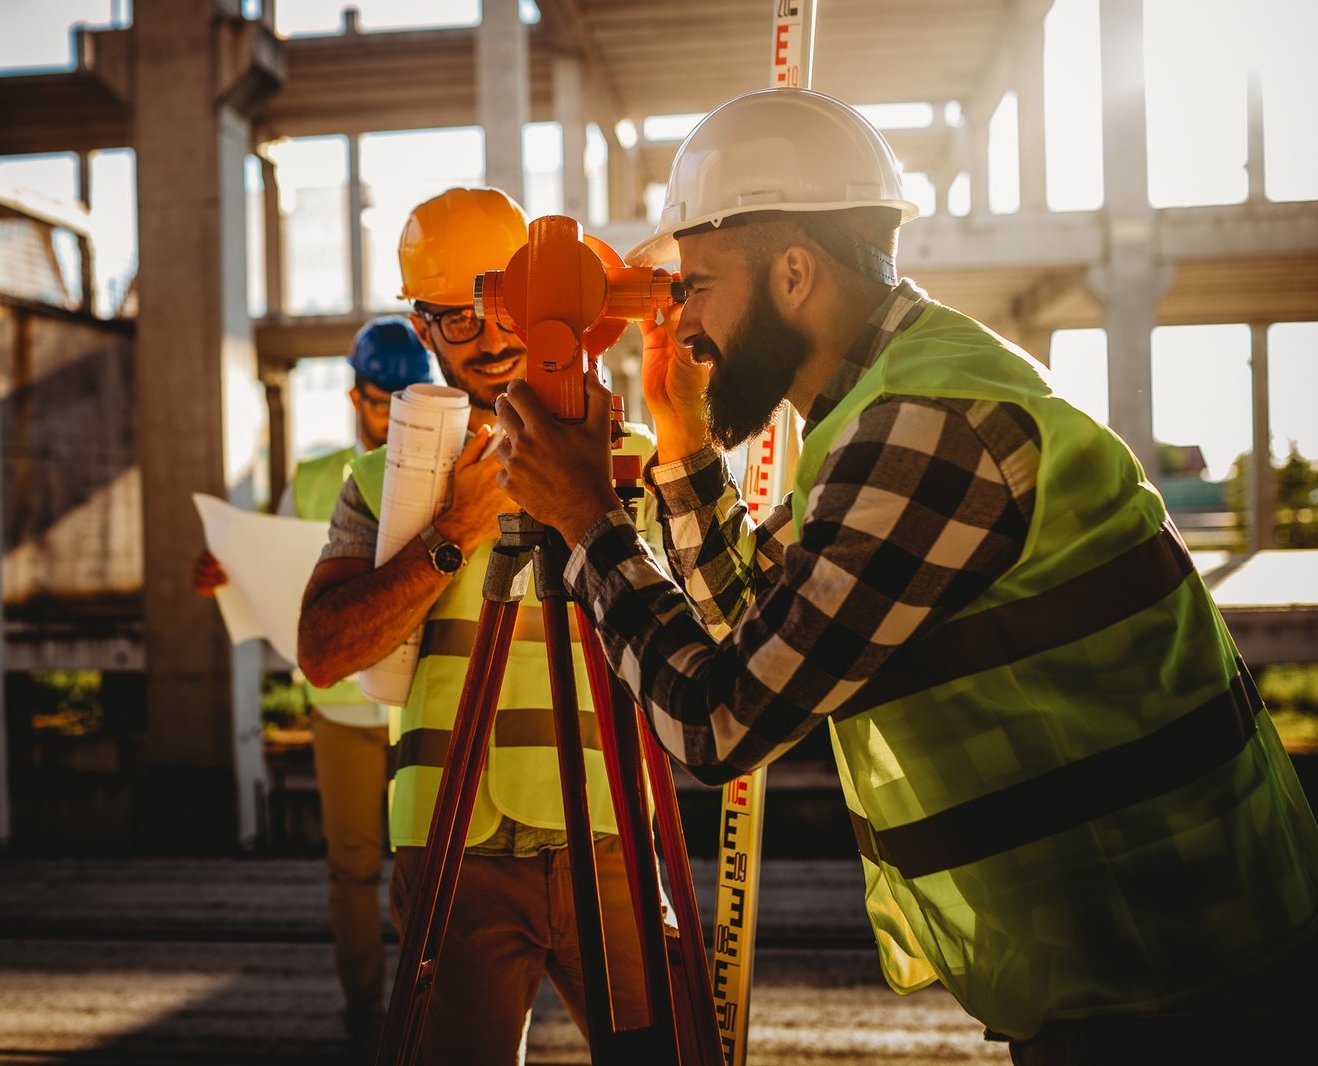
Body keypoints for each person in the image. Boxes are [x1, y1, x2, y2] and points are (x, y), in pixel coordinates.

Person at [491, 88, 1318, 1064]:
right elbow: (757, 622)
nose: (687, 323)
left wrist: (587, 519)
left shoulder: (920, 425)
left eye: (698, 285)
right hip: (1135, 954)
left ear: (794, 271)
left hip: (1175, 973)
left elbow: (719, 722)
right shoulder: (891, 405)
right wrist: (679, 443)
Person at [296, 186, 660, 1064]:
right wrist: (449, 533)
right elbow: (324, 652)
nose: (495, 336)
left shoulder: (635, 459)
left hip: (610, 834)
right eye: (460, 319)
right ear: (422, 329)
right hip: (453, 846)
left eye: (506, 302)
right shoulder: (385, 481)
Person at [193, 314, 435, 1053]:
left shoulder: (449, 468)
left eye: (405, 400)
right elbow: (266, 562)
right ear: (355, 396)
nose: (390, 416)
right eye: (377, 399)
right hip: (343, 704)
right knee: (354, 870)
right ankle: (367, 1015)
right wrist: (224, 572)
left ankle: (430, 1012)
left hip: (425, 700)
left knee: (436, 872)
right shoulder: (317, 478)